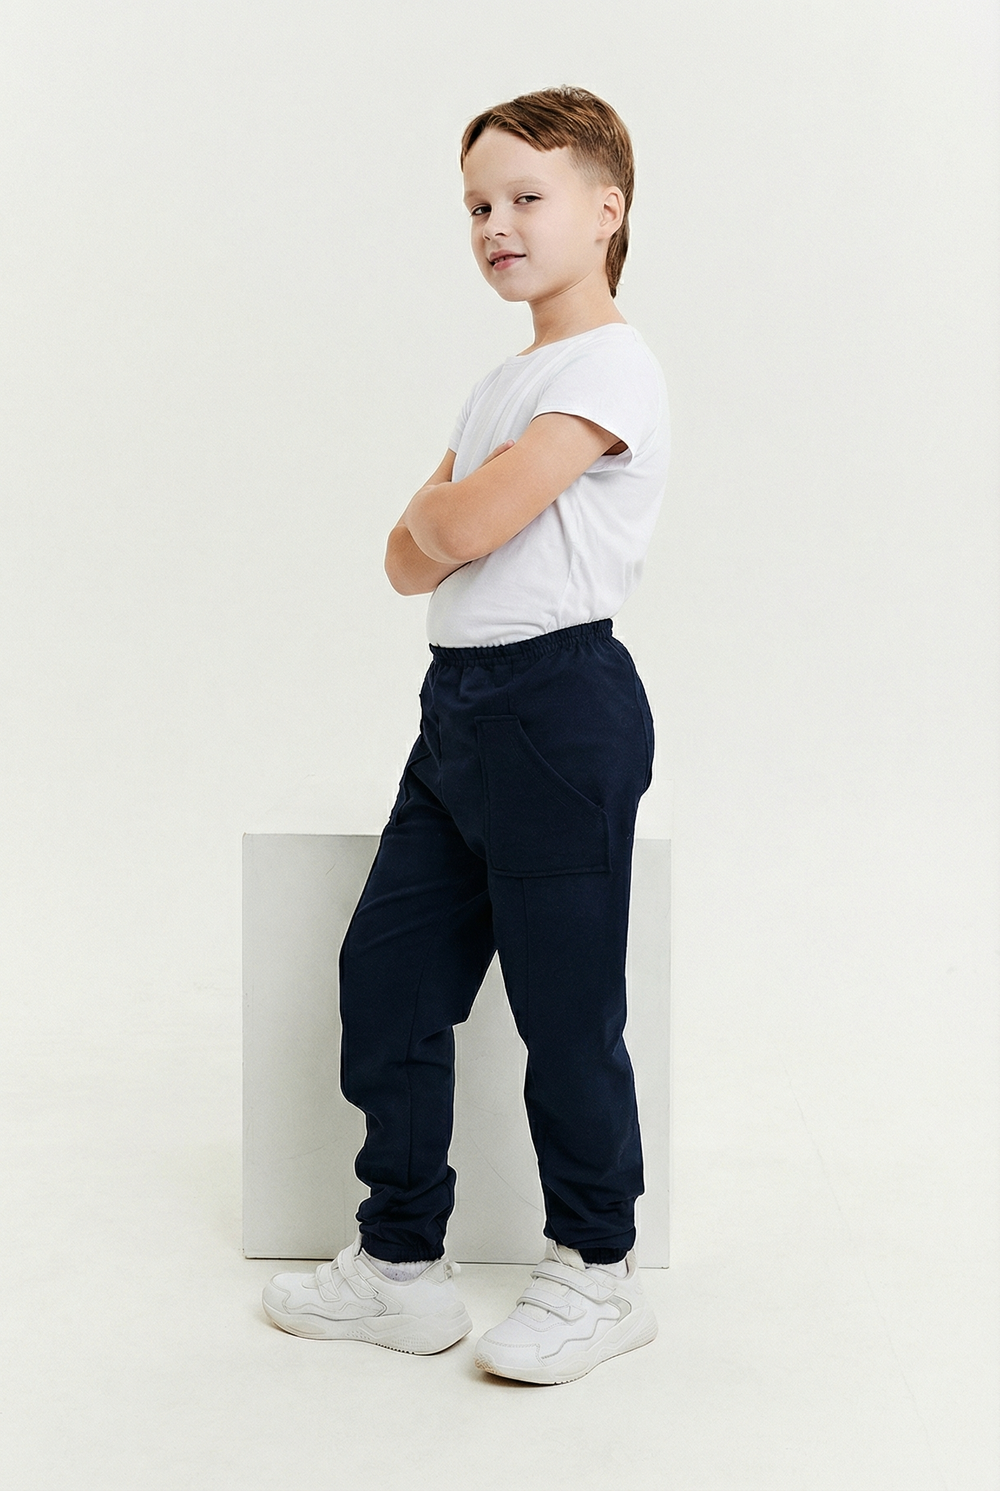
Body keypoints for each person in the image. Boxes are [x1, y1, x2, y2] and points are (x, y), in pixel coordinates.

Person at [262, 85, 670, 1386]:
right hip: (458, 712)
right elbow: (406, 563)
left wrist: (445, 515)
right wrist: (444, 520)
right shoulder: (507, 382)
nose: (497, 223)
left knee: (565, 1007)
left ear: (605, 209)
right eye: (478, 205)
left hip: (558, 705)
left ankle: (597, 1269)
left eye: (526, 197)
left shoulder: (610, 364)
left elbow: (458, 526)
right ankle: (399, 1267)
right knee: (387, 978)